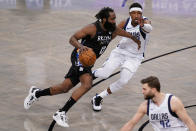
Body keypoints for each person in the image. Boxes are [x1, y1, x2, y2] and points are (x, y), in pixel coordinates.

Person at [24, 7, 141, 128]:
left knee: (65, 87)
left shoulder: (113, 29)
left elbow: (124, 33)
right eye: (112, 19)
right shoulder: (92, 28)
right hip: (79, 57)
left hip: (88, 62)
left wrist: (135, 39)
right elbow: (72, 38)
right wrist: (80, 46)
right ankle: (61, 112)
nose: (114, 21)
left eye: (115, 18)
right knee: (87, 84)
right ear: (104, 19)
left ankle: (36, 93)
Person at [91, 2, 152, 111]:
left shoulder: (145, 22)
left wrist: (143, 25)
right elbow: (112, 35)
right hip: (120, 52)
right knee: (105, 74)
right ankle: (91, 74)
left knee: (123, 81)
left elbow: (149, 28)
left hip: (135, 57)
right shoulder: (125, 22)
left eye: (139, 13)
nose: (137, 15)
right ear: (130, 14)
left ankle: (99, 97)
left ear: (142, 14)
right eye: (134, 13)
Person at [120, 76, 196, 131]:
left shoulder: (173, 102)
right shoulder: (145, 106)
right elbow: (131, 124)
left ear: (153, 90)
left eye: (144, 89)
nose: (142, 92)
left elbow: (189, 122)